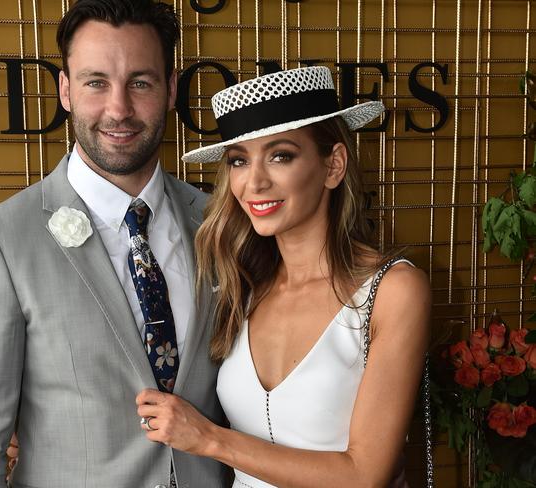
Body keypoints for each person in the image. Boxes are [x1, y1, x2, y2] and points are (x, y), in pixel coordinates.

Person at [0, 1, 228, 487]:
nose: (119, 109)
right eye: (97, 82)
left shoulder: (220, 222)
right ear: (66, 90)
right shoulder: (0, 241)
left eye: (141, 82)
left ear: (171, 89)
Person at [135, 66, 431, 487]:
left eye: (280, 155)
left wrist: (210, 440)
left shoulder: (392, 291)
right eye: (239, 160)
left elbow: (365, 475)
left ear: (333, 165)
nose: (254, 182)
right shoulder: (238, 287)